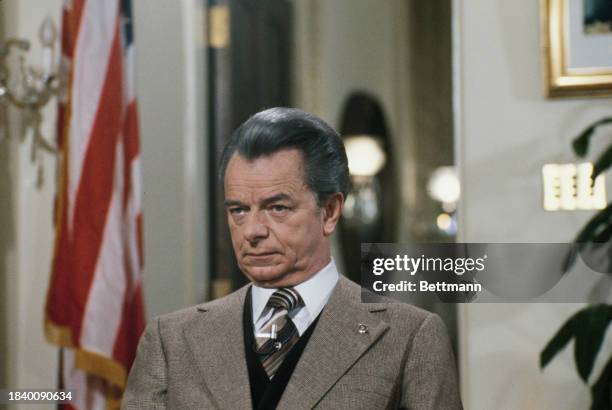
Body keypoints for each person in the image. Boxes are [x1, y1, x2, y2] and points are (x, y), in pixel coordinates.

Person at [122, 108, 462, 409]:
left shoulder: (409, 338)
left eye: (277, 208)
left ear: (329, 212)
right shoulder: (172, 339)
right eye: (239, 210)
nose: (252, 230)